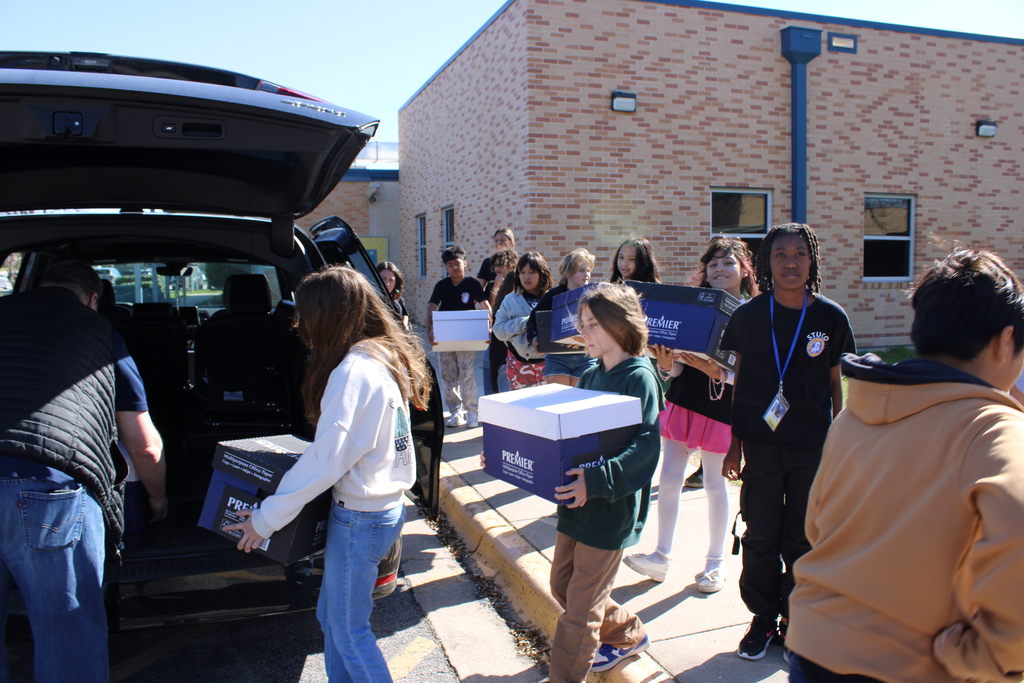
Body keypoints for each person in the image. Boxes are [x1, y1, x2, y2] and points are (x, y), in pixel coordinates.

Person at [785, 249, 1024, 683]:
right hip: (915, 664)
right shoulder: (997, 431)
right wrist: (989, 659)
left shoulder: (856, 414)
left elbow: (818, 526)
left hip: (815, 644)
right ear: (1006, 341)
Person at [224, 266, 431, 683]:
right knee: (332, 619)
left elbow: (326, 459)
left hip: (360, 519)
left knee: (349, 631)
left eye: (306, 315)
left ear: (329, 316)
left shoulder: (353, 372)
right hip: (380, 512)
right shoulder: (382, 357)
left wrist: (264, 519)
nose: (301, 325)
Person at [0, 260, 166, 682]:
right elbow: (144, 446)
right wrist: (158, 499)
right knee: (66, 635)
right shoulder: (100, 334)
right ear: (94, 300)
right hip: (48, 491)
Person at [719, 224, 855, 661]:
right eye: (780, 254)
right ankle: (762, 616)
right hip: (759, 446)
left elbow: (837, 385)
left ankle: (796, 618)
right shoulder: (747, 316)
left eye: (800, 253)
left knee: (802, 537)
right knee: (760, 534)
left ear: (812, 260)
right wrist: (734, 445)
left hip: (812, 446)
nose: (790, 262)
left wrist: (839, 442)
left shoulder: (830, 317)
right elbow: (739, 387)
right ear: (765, 262)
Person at [624, 236, 758, 593]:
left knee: (715, 483)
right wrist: (667, 363)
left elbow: (757, 372)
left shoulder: (753, 313)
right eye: (713, 263)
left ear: (744, 270)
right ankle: (660, 556)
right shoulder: (694, 308)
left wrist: (722, 374)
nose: (719, 269)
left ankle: (715, 565)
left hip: (720, 407)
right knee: (668, 480)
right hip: (684, 401)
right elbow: (677, 369)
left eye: (728, 263)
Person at [549, 283, 663, 680]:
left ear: (620, 323)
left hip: (611, 506)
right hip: (576, 503)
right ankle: (628, 632)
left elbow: (646, 447)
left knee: (580, 610)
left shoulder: (640, 377)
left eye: (593, 324)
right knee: (562, 585)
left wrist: (597, 481)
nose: (585, 334)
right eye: (582, 325)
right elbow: (571, 436)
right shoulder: (592, 374)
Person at [427, 245, 491, 429]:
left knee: (467, 373)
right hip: (444, 335)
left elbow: (485, 304)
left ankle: (471, 411)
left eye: (457, 263)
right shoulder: (441, 285)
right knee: (448, 375)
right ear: (446, 267)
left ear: (465, 263)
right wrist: (430, 329)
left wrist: (488, 326)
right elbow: (432, 306)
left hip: (466, 335)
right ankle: (455, 412)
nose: (454, 267)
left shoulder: (472, 284)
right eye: (450, 265)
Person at [526, 248, 598, 387]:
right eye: (581, 270)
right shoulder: (554, 295)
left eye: (588, 270)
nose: (587, 274)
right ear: (568, 272)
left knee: (581, 404)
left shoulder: (593, 296)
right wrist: (533, 338)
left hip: (585, 356)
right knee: (558, 402)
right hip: (558, 356)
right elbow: (534, 319)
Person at [493, 251, 552, 390]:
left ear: (542, 274)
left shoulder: (553, 298)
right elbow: (498, 330)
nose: (527, 277)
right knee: (523, 408)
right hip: (518, 365)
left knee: (547, 407)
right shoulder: (510, 300)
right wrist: (524, 323)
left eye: (532, 272)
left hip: (549, 364)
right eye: (522, 272)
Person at [486, 249, 519, 393]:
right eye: (495, 265)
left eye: (502, 265)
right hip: (498, 342)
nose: (498, 268)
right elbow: (491, 310)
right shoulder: (492, 284)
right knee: (494, 372)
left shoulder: (518, 281)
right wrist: (496, 287)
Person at [376, 260, 410, 330]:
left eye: (391, 280)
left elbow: (405, 314)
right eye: (383, 279)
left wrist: (404, 325)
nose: (387, 284)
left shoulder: (398, 299)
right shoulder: (372, 300)